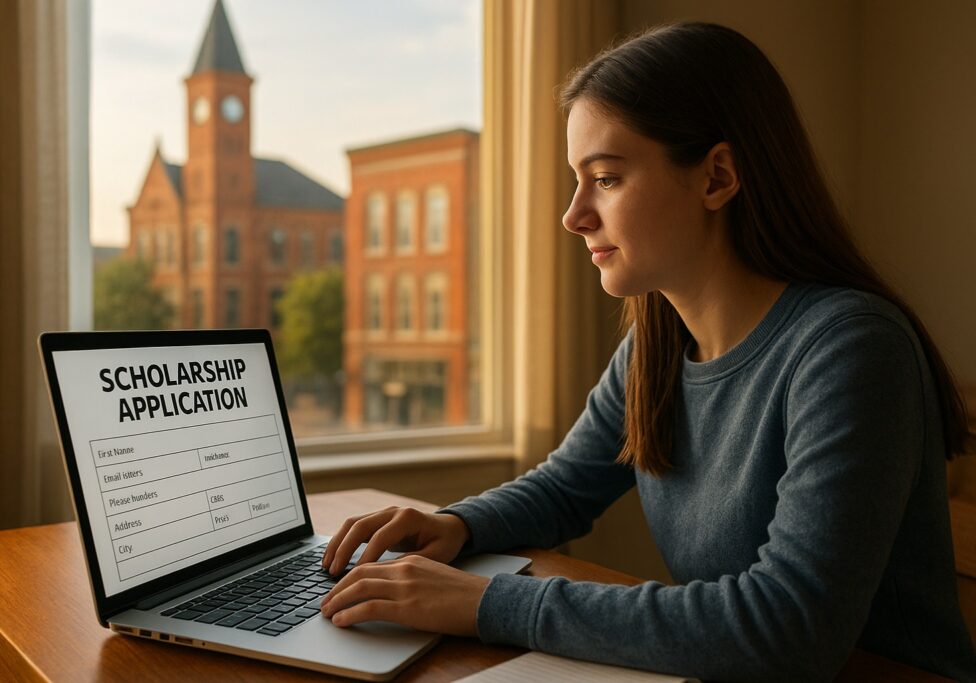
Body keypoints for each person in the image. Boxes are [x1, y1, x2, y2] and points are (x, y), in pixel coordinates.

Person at [318, 22, 976, 682]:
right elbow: (564, 488)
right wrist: (455, 525)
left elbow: (788, 629)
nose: (574, 214)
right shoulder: (656, 343)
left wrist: (488, 602)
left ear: (717, 176)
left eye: (604, 178)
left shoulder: (850, 349)